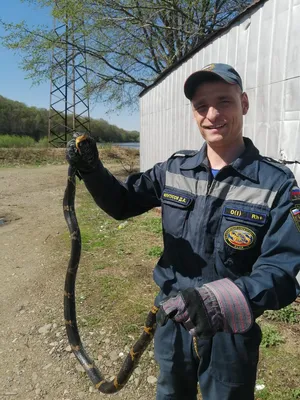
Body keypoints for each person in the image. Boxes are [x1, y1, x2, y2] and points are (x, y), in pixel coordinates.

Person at [66, 63, 300, 400]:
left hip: (230, 329)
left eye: (224, 101)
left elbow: (280, 270)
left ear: (244, 103)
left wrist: (222, 301)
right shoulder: (174, 169)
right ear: (194, 113)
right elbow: (121, 203)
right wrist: (92, 171)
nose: (212, 114)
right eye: (201, 106)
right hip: (172, 318)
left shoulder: (277, 183)